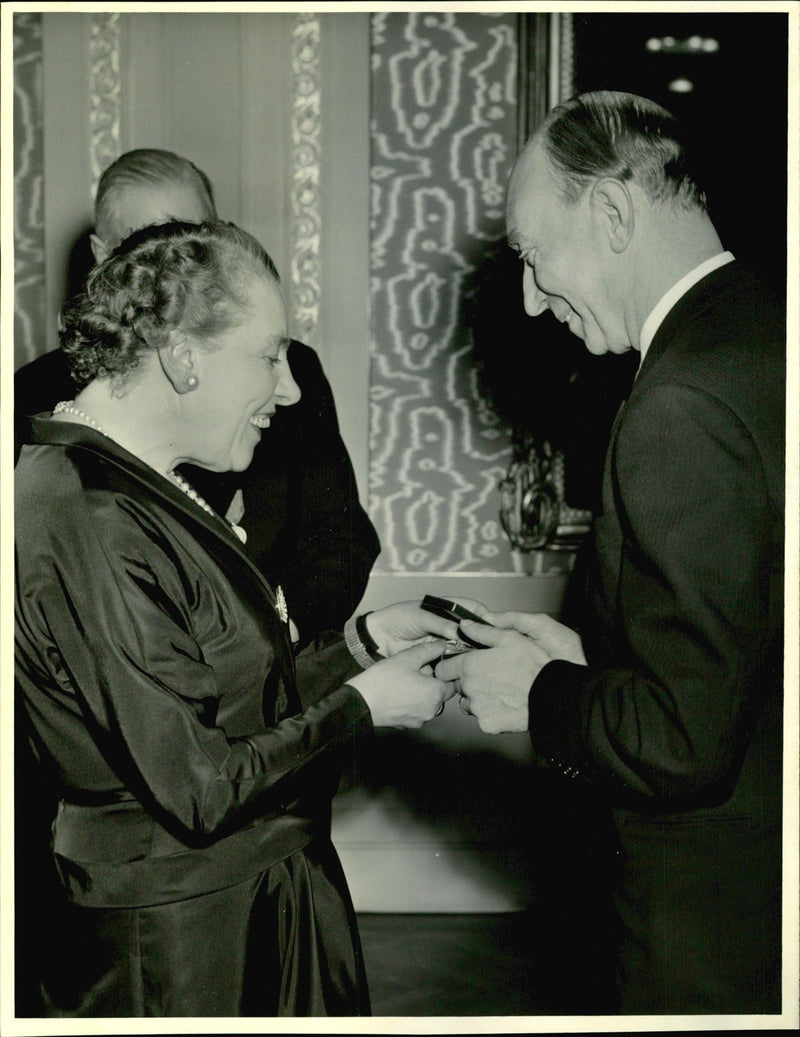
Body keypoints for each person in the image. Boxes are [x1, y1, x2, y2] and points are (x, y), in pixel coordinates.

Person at [15, 219, 462, 1017]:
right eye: (268, 354)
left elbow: (220, 698)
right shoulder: (88, 510)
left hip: (231, 899)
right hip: (182, 940)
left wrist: (360, 645)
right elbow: (199, 785)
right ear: (184, 357)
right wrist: (366, 707)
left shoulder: (128, 482)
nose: (289, 389)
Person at [436, 91, 785, 1014]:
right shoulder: (760, 334)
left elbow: (683, 741)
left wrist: (539, 695)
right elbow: (745, 655)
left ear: (616, 214)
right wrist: (590, 662)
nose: (529, 296)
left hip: (709, 922)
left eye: (532, 255)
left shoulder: (678, 405)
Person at [14, 148, 380, 646]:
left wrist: (282, 643)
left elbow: (340, 539)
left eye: (194, 244)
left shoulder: (287, 378)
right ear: (105, 260)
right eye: (146, 250)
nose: (179, 273)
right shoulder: (34, 399)